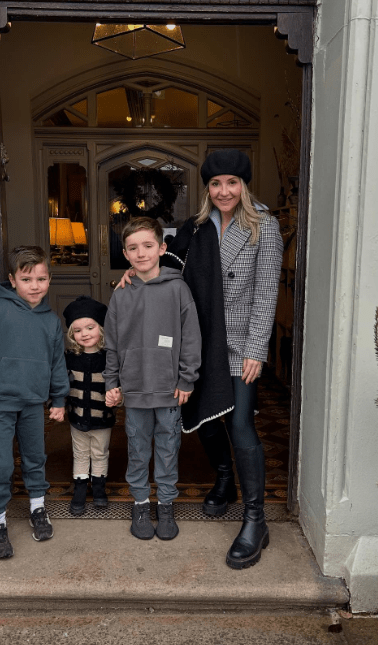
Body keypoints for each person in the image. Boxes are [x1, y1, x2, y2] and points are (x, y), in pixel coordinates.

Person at [119, 150, 283, 569]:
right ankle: (224, 479)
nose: (223, 191)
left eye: (232, 182)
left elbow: (267, 292)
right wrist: (132, 275)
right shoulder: (195, 227)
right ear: (207, 188)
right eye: (215, 183)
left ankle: (255, 520)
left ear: (243, 185)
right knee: (203, 418)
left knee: (241, 423)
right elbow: (166, 263)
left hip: (240, 342)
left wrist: (256, 350)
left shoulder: (264, 226)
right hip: (197, 337)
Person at [104, 216, 202, 541]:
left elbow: (191, 338)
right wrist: (112, 382)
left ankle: (167, 504)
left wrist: (187, 379)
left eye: (147, 245)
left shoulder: (178, 289)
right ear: (125, 253)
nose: (141, 253)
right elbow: (112, 344)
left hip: (169, 390)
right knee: (137, 448)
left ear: (161, 248)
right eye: (133, 248)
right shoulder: (121, 294)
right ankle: (141, 503)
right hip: (134, 390)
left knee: (168, 447)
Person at [0, 246, 69, 559]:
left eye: (41, 278)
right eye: (27, 279)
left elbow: (57, 363)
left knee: (35, 456)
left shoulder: (51, 322)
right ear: (13, 280)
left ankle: (38, 509)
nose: (35, 285)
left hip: (32, 403)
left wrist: (59, 397)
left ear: (49, 280)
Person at [62, 296, 116, 516]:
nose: (84, 334)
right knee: (81, 454)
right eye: (78, 330)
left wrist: (117, 398)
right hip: (76, 418)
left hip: (102, 419)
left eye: (90, 327)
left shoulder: (110, 359)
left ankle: (100, 489)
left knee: (100, 453)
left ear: (101, 329)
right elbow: (62, 386)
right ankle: (80, 491)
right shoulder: (68, 358)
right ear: (72, 335)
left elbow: (116, 388)